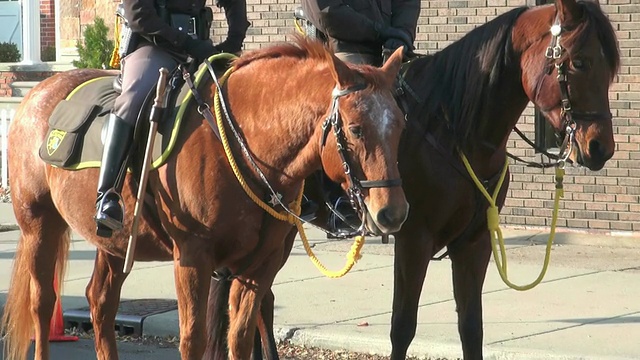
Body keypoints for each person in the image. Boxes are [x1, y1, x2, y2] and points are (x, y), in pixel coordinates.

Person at [94, 0, 249, 236]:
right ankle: (108, 196)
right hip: (153, 47)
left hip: (199, 49)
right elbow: (138, 15)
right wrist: (185, 43)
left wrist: (233, 41)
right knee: (133, 99)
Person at [299, 0, 419, 234]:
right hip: (342, 43)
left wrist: (402, 35)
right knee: (349, 108)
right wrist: (381, 31)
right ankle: (335, 199)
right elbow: (327, 12)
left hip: (388, 45)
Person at [301, 0, 420, 66]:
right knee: (357, 101)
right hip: (348, 51)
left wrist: (402, 33)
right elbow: (328, 12)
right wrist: (378, 31)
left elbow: (407, 3)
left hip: (391, 50)